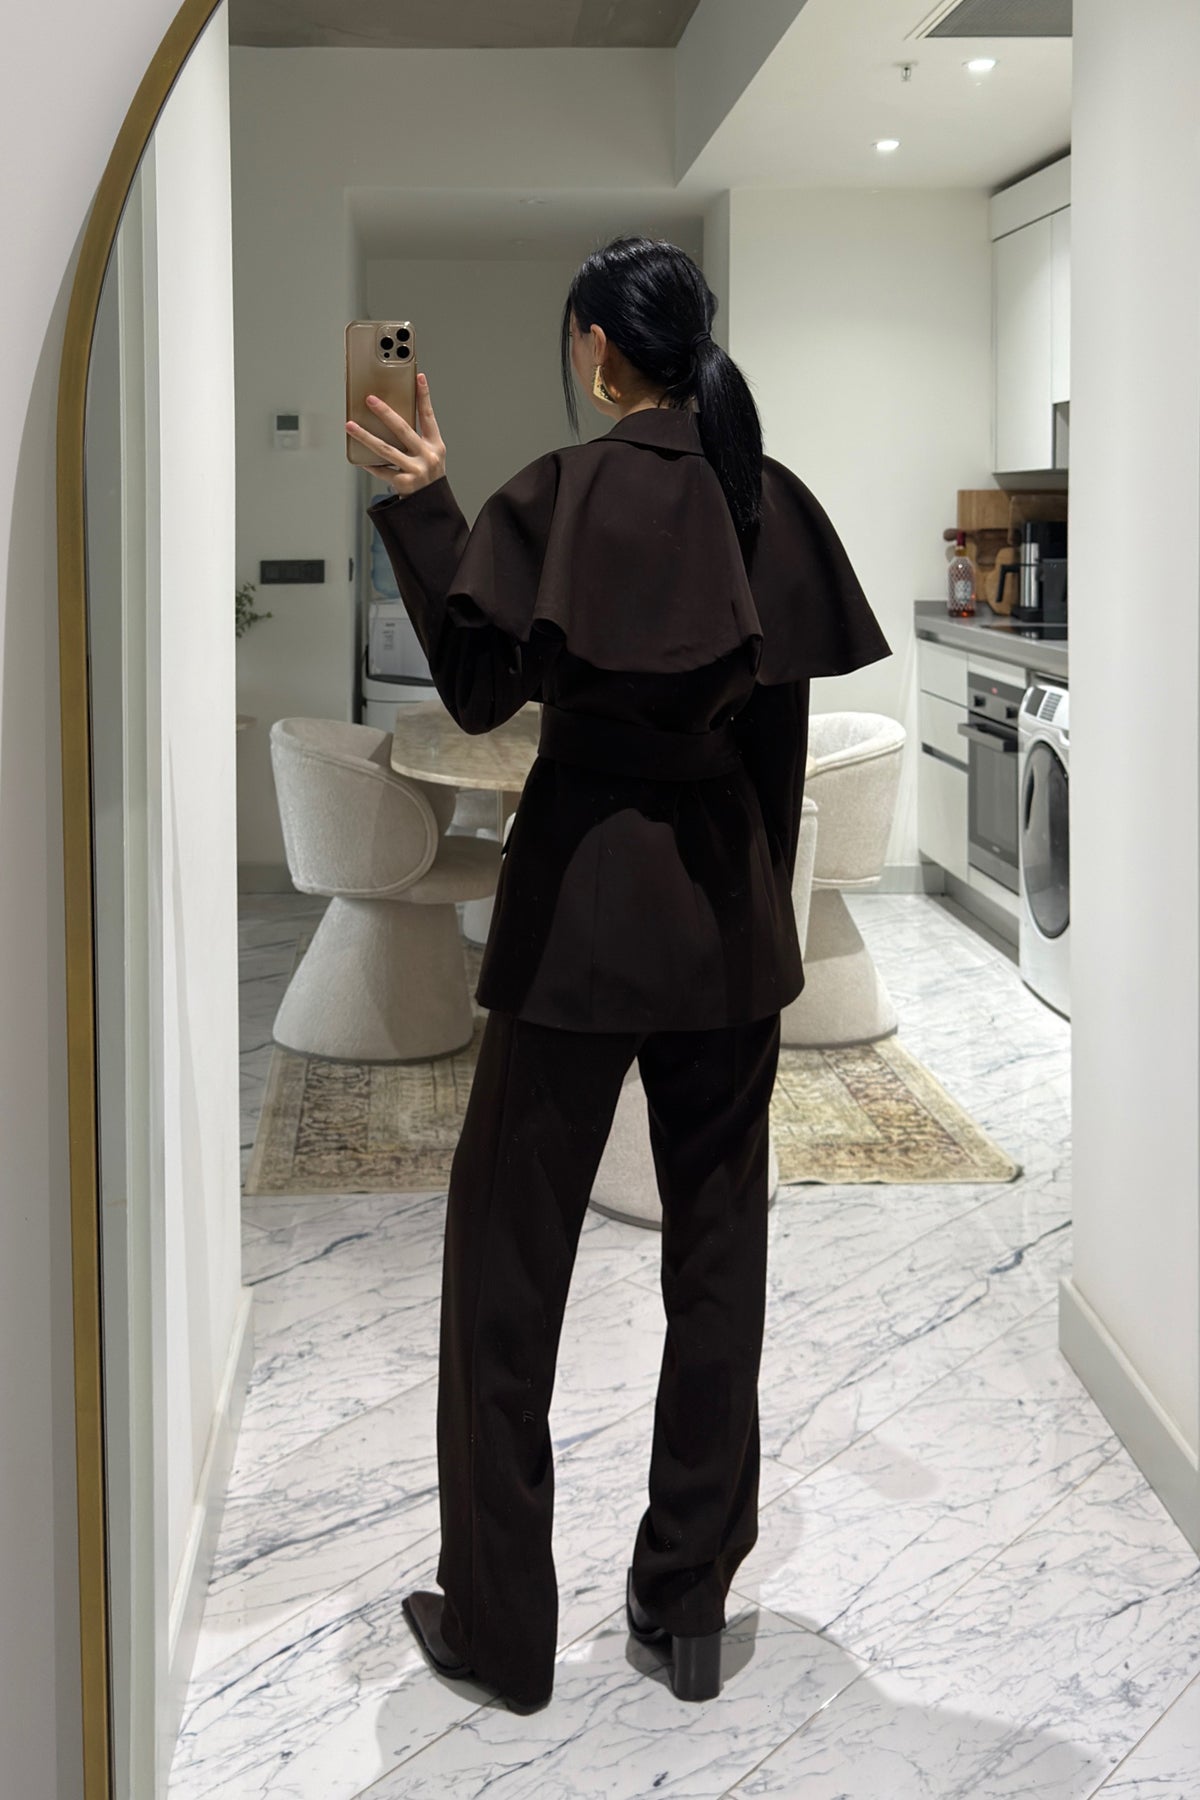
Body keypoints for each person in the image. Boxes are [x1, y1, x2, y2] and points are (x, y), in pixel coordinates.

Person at [346, 236, 892, 1713]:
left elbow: (475, 694)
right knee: (719, 1265)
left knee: (505, 1270)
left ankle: (502, 1630)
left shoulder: (556, 494)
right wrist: (753, 921)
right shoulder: (768, 501)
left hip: (573, 924)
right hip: (725, 925)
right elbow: (775, 758)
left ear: (597, 351)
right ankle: (687, 1604)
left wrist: (424, 502)